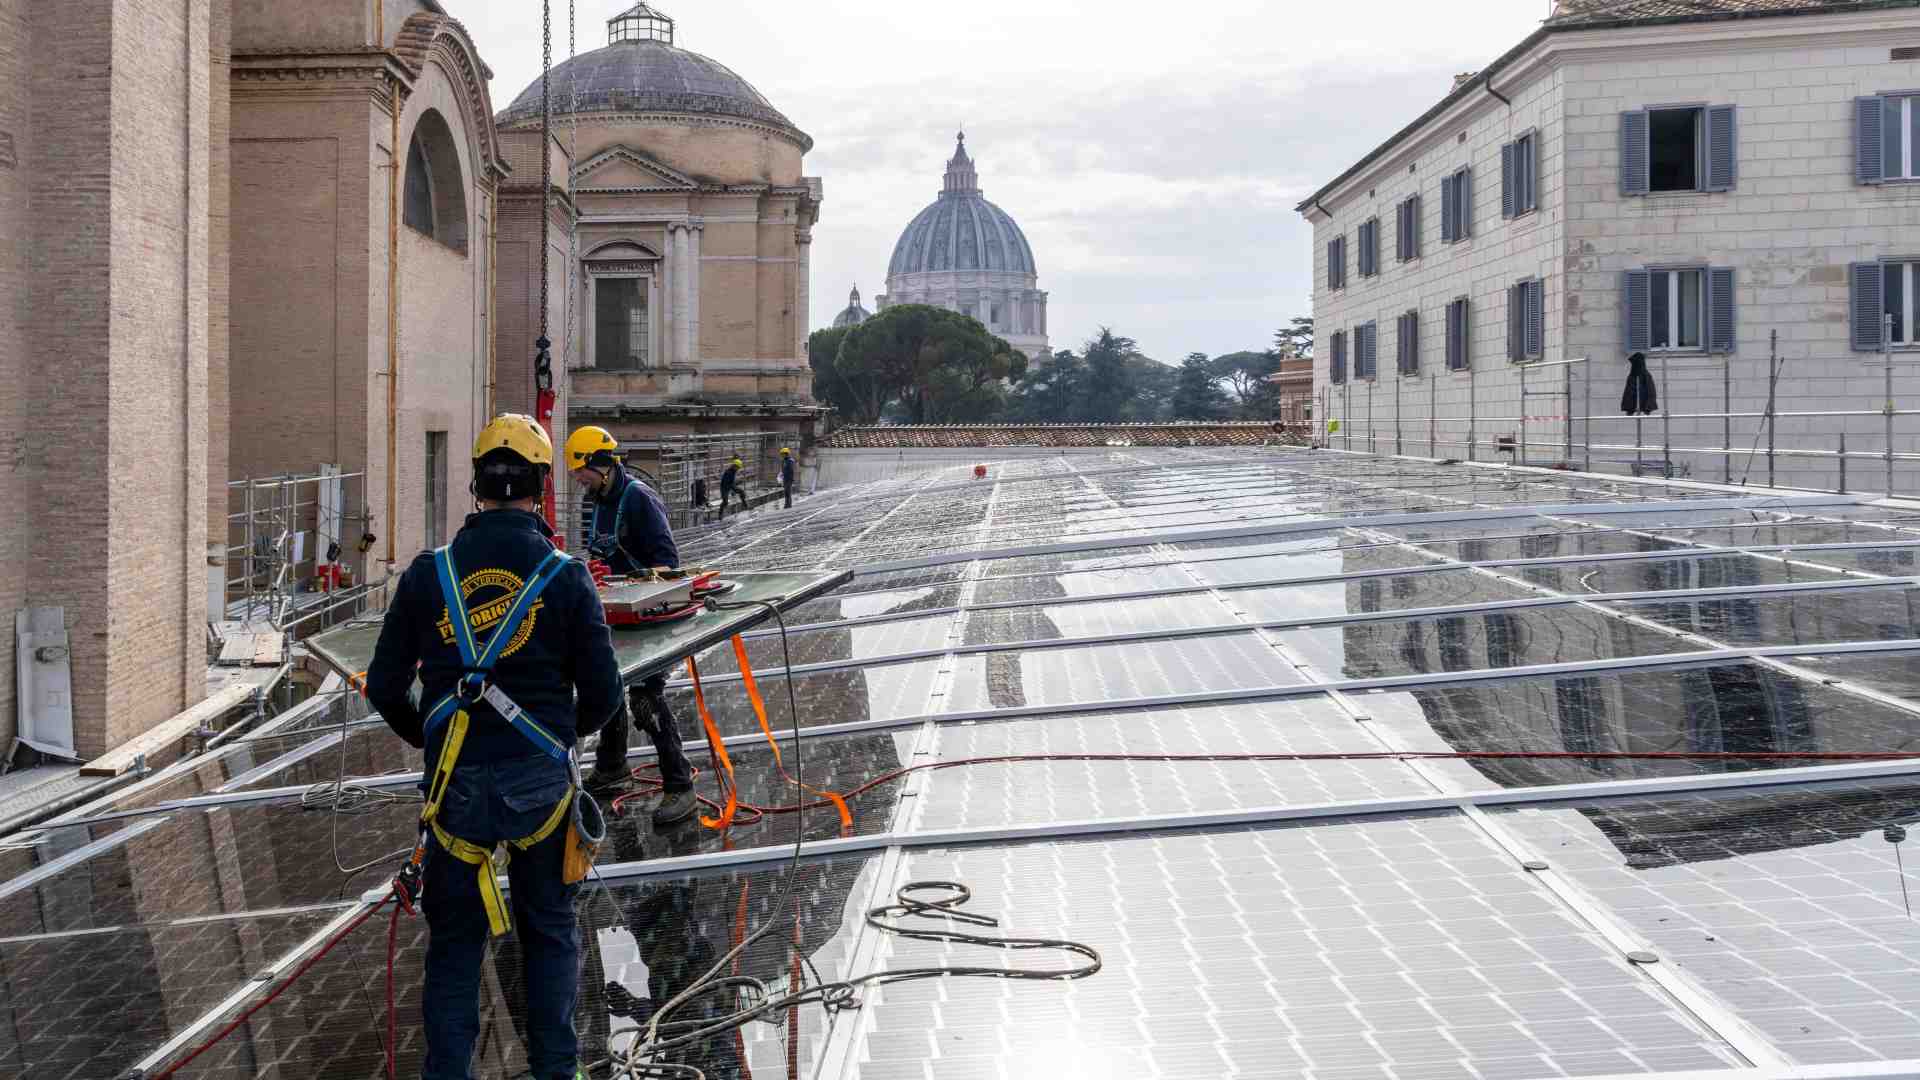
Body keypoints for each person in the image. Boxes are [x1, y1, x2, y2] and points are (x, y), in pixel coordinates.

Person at [365, 414, 623, 1080]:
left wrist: (433, 738)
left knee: (455, 946)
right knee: (548, 933)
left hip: (455, 786)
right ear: (542, 486)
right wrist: (558, 737)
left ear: (476, 483)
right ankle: (556, 1070)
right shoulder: (565, 577)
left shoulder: (430, 575)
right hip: (539, 786)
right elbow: (604, 694)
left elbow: (385, 686)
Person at [563, 425, 698, 828]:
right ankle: (612, 767)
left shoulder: (639, 499)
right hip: (616, 614)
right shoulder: (599, 500)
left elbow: (668, 564)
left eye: (581, 470)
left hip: (648, 616)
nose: (578, 479)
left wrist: (631, 583)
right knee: (608, 686)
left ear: (601, 463)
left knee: (645, 698)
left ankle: (680, 784)